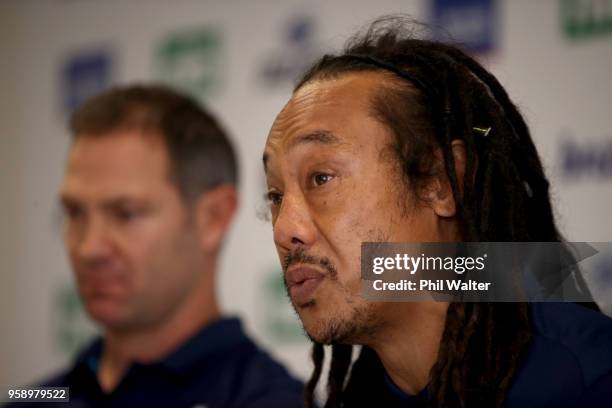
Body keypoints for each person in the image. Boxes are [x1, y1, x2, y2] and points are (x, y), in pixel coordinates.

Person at [262, 17, 612, 408]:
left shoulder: (591, 380)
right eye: (275, 195)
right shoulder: (359, 396)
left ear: (441, 183)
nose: (284, 229)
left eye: (321, 178)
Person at [12, 84, 303, 407]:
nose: (88, 248)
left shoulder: (273, 401)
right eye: (75, 213)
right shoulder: (36, 398)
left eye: (126, 214)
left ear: (213, 217)